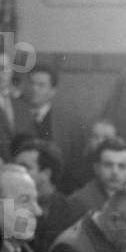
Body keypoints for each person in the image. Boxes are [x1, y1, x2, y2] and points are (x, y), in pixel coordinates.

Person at [27, 64, 87, 192]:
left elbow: (76, 163)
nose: (34, 89)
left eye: (41, 85)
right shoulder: (15, 115)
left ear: (53, 90)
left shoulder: (69, 123)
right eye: (31, 84)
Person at [62, 136, 126, 230]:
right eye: (108, 165)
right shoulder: (78, 202)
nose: (115, 172)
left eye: (121, 166)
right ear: (96, 168)